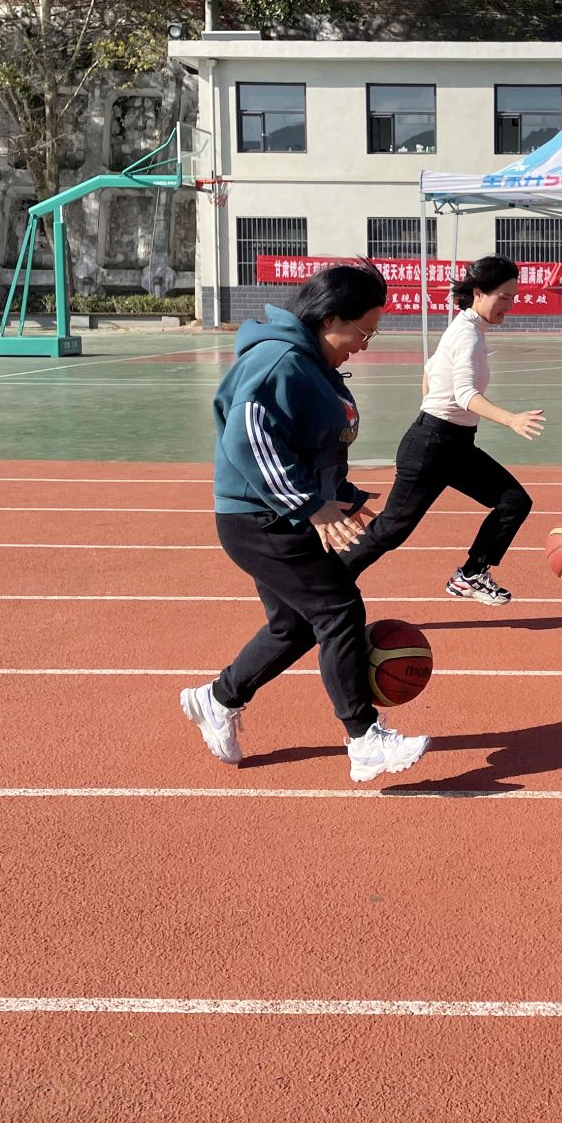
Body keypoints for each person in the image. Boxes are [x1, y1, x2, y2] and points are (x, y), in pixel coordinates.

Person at [179, 263, 429, 782]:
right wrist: (309, 504)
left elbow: (307, 445)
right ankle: (364, 738)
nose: (364, 345)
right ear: (330, 318)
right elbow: (249, 437)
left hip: (274, 513)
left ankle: (218, 699)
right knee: (338, 608)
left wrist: (341, 496)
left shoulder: (311, 364)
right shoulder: (279, 360)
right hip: (259, 518)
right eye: (362, 332)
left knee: (293, 625)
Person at [340, 256, 543, 606]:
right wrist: (510, 419)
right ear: (479, 293)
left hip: (452, 444)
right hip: (432, 446)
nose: (509, 306)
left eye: (513, 298)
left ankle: (471, 575)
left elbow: (430, 370)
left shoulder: (467, 328)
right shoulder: (467, 334)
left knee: (513, 502)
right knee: (392, 529)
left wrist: (434, 409)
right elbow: (465, 395)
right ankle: (329, 580)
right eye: (503, 297)